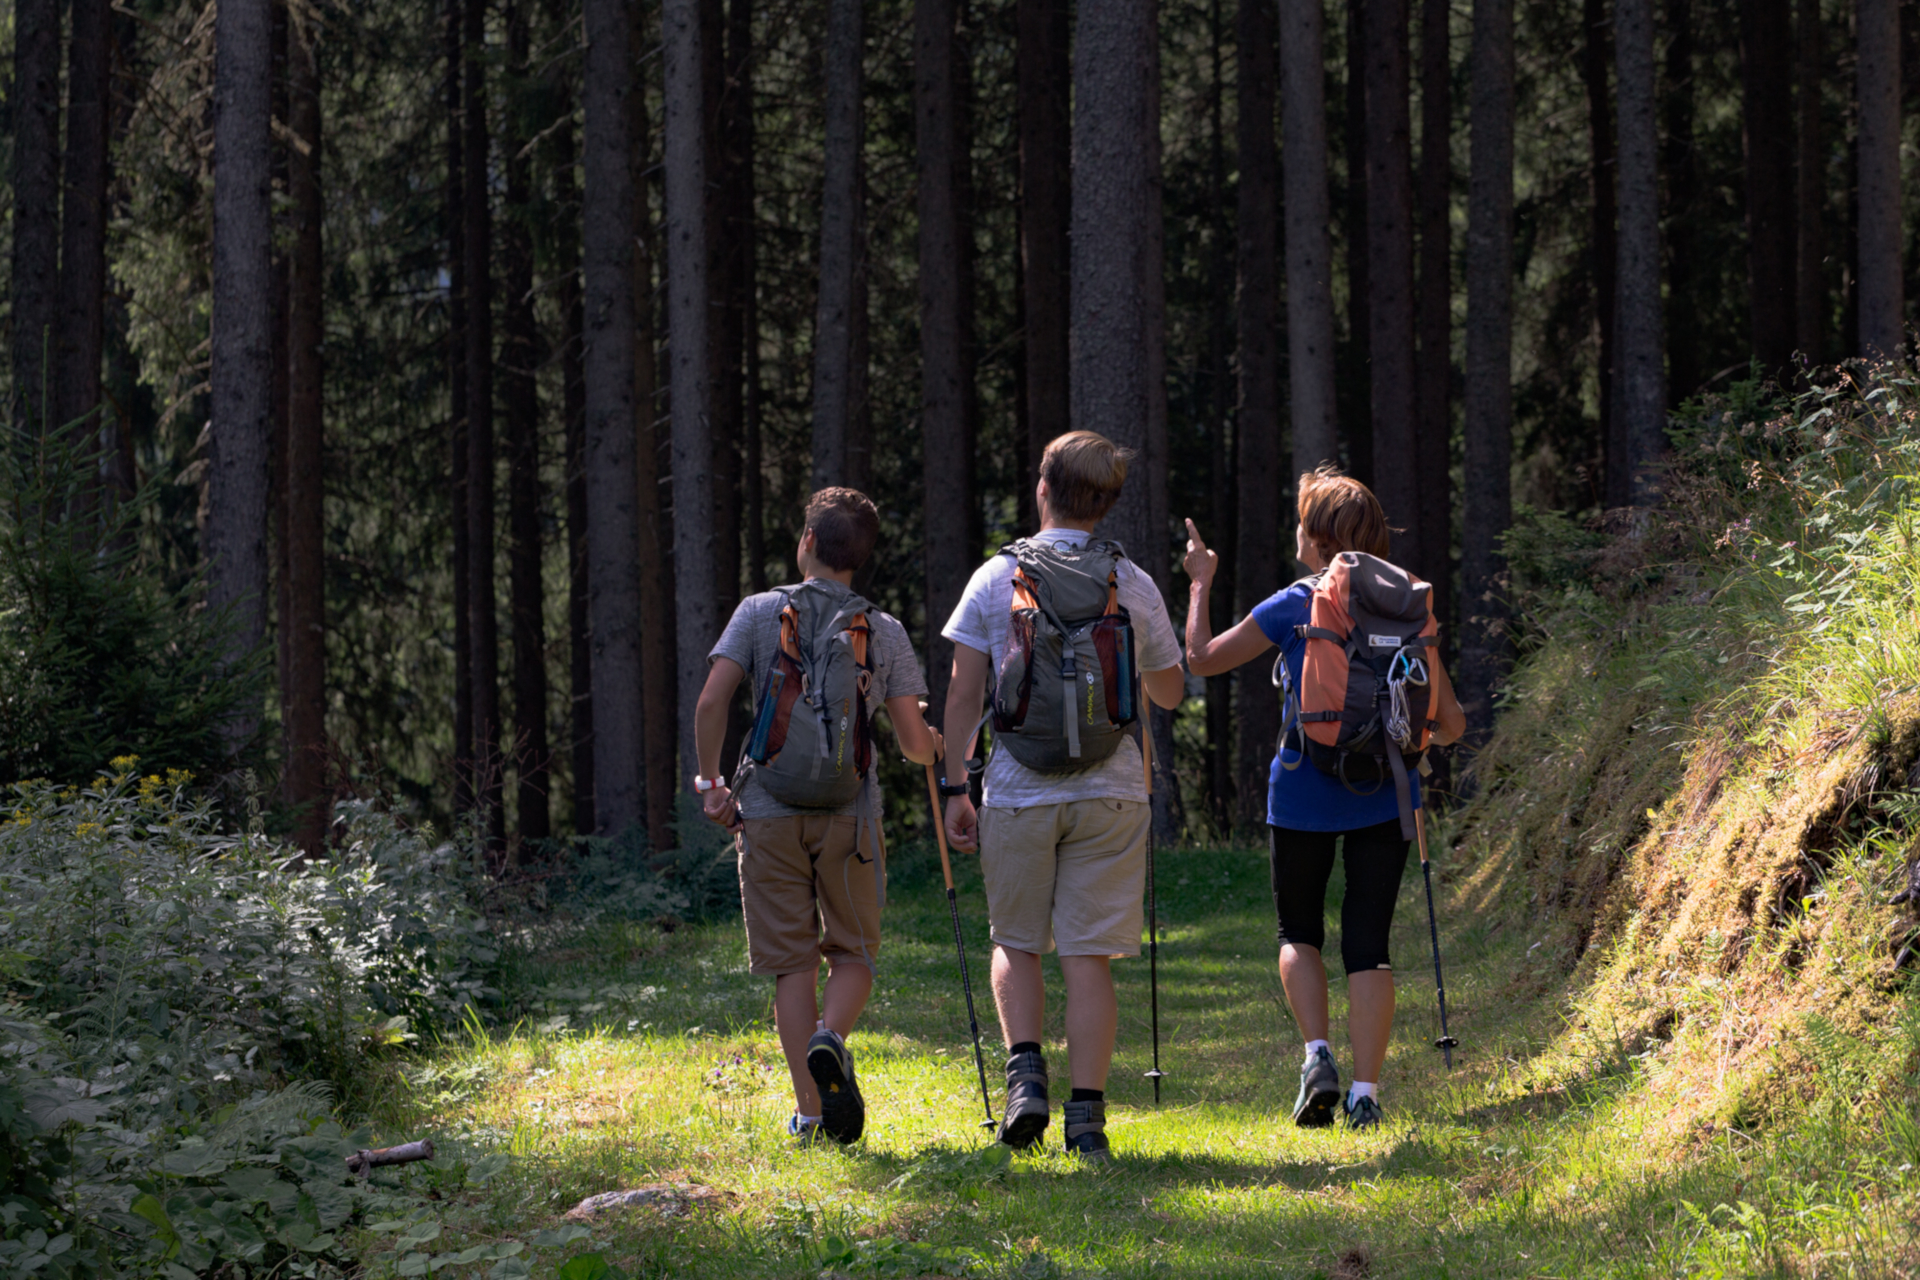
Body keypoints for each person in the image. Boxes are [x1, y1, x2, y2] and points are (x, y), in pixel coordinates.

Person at [1182, 466, 1464, 1131]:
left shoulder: (1293, 604)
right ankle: (1366, 1095)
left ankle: (1317, 1058)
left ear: (1314, 538)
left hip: (1302, 790)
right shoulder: (1407, 607)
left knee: (1298, 931)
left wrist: (1200, 581)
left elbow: (1200, 659)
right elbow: (1450, 725)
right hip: (1387, 795)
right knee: (1368, 945)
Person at [941, 431, 1185, 1161]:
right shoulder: (1131, 582)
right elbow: (1170, 691)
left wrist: (957, 782)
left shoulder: (996, 578)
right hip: (1112, 791)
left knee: (1017, 941)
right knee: (1089, 957)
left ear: (1042, 488)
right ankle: (1087, 1119)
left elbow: (963, 690)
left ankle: (1025, 1079)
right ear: (1105, 503)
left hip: (1017, 787)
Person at [694, 487, 943, 1146]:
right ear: (861, 558)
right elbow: (914, 744)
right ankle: (831, 1037)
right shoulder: (882, 631)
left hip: (768, 810)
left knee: (791, 964)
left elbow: (712, 699)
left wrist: (713, 784)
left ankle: (809, 1115)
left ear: (806, 544)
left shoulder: (757, 613)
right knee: (854, 952)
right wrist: (937, 744)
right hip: (849, 814)